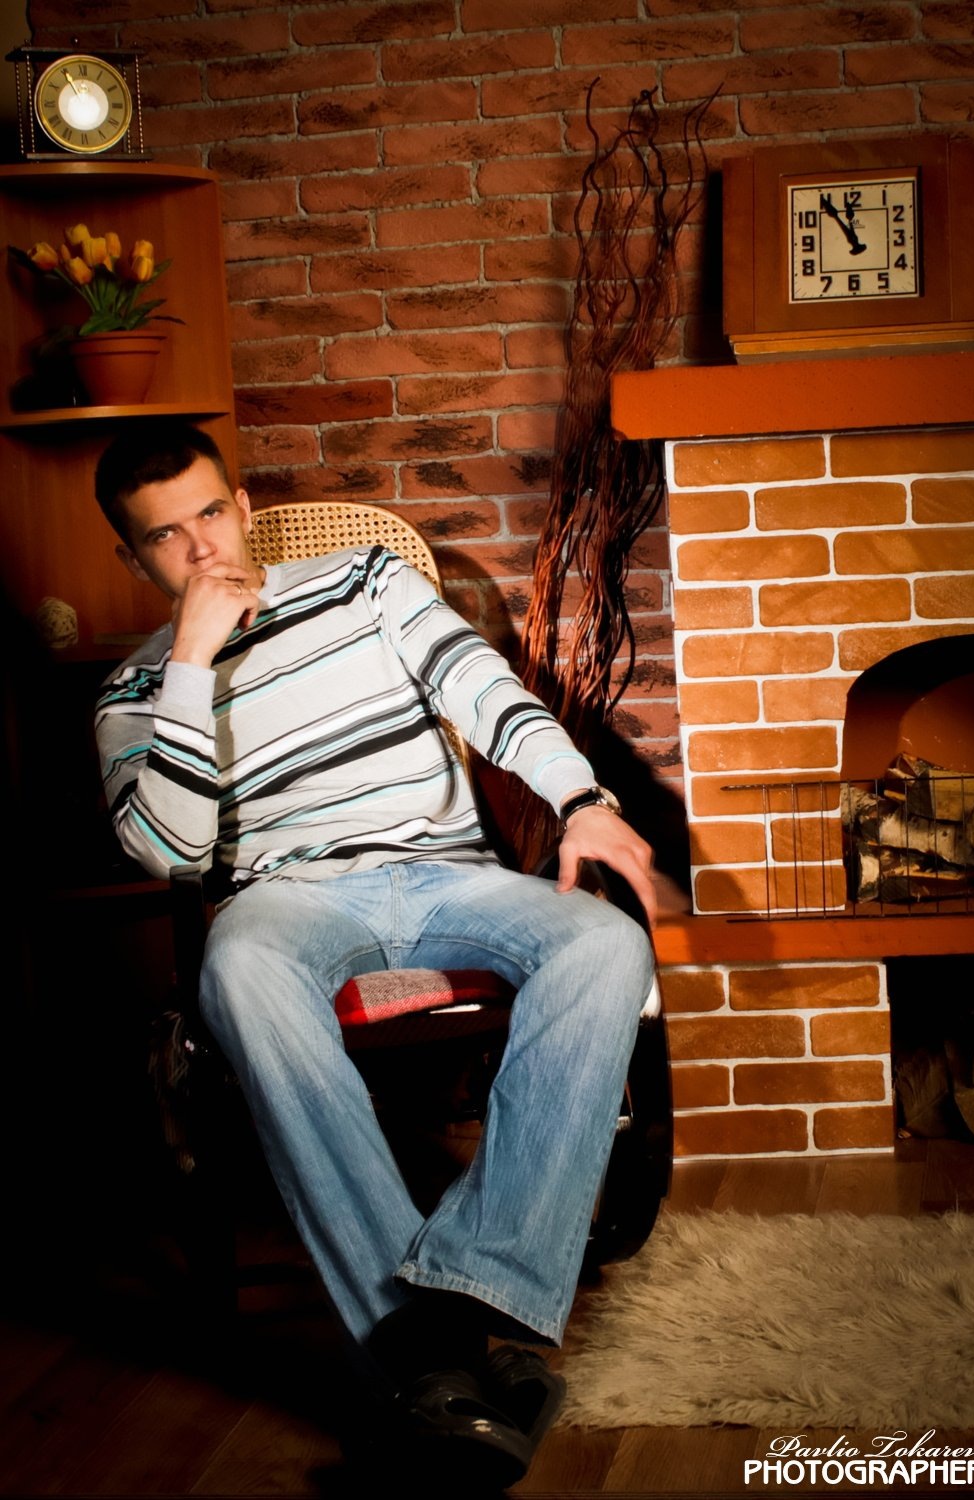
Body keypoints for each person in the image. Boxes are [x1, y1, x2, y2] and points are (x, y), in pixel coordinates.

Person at [93, 422, 657, 1487]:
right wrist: (189, 662)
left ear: (244, 508)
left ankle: (450, 1317)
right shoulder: (130, 692)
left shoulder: (362, 581)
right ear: (134, 559)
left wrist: (579, 798)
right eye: (166, 537)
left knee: (603, 944)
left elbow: (483, 689)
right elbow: (173, 850)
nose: (202, 547)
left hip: (450, 874)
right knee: (236, 971)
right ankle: (444, 1358)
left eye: (211, 513)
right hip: (286, 900)